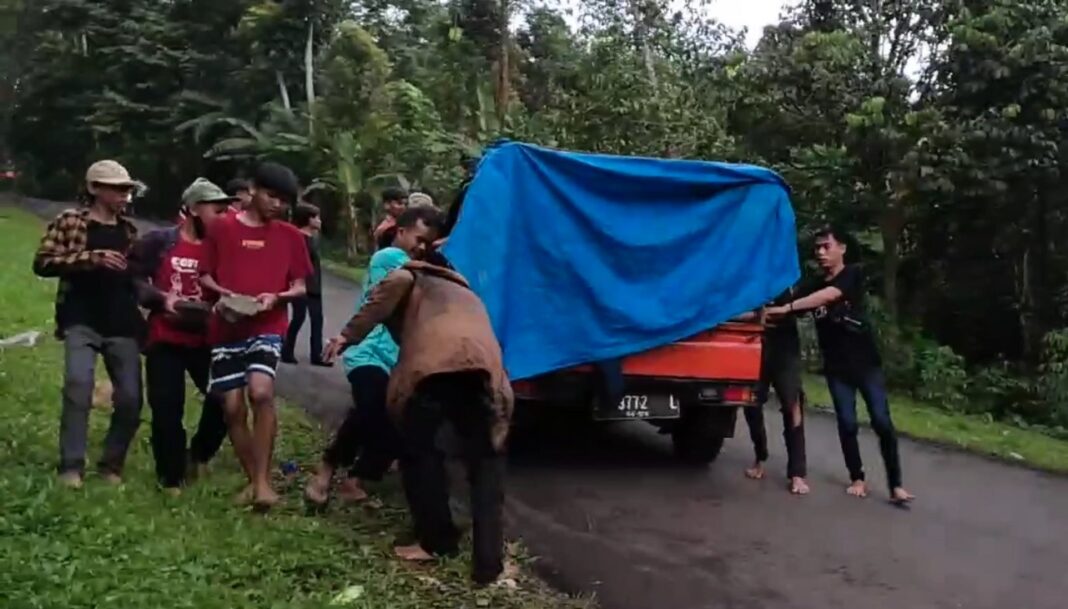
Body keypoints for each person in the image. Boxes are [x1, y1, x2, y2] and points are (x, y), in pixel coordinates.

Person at [322, 260, 513, 585]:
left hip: (434, 370)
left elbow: (376, 304)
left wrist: (344, 338)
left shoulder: (408, 276)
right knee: (486, 467)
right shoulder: (467, 292)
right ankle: (489, 565)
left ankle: (436, 542)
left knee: (419, 453)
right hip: (485, 373)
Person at [305, 206, 444, 506]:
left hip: (399, 359)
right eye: (417, 239)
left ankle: (355, 478)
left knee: (399, 424)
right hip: (367, 349)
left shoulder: (421, 264)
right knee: (371, 409)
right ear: (401, 231)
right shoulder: (390, 260)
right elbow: (411, 279)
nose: (420, 247)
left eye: (427, 243)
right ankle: (327, 467)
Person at [766, 226, 915, 505]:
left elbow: (827, 296)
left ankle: (896, 486)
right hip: (837, 369)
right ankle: (857, 478)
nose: (821, 253)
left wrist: (787, 309)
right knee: (847, 423)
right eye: (817, 248)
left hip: (866, 365)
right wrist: (768, 310)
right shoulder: (812, 284)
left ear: (842, 248)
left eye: (827, 247)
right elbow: (791, 300)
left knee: (882, 421)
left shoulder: (852, 274)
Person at [199, 162, 312, 509]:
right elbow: (204, 276)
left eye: (283, 201)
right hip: (226, 327)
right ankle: (253, 480)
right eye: (271, 195)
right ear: (252, 189)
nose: (276, 205)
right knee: (232, 408)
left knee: (260, 392)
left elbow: (300, 285)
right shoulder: (220, 228)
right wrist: (223, 296)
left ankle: (264, 484)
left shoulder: (291, 236)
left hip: (268, 324)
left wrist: (276, 297)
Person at [32, 160, 145, 488]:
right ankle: (71, 465)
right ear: (95, 189)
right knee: (78, 386)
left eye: (127, 189)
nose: (124, 195)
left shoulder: (129, 230)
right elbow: (43, 262)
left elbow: (134, 277)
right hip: (80, 318)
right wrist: (90, 259)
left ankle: (111, 464)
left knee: (130, 399)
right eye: (117, 188)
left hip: (122, 321)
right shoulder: (70, 222)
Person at [129, 178, 234, 495]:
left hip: (208, 338)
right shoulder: (160, 241)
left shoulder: (224, 246)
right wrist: (161, 299)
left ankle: (199, 454)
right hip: (165, 337)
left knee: (227, 400)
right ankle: (171, 478)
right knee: (166, 408)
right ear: (192, 209)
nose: (224, 213)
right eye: (216, 208)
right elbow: (131, 277)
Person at [737, 287, 809, 495]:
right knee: (751, 403)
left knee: (792, 405)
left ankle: (797, 473)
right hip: (756, 344)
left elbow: (800, 307)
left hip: (785, 349)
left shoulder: (790, 279)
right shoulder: (754, 276)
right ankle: (760, 457)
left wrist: (779, 311)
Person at [282, 202, 329, 366]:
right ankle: (287, 350)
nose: (319, 221)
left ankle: (317, 354)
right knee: (299, 317)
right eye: (316, 217)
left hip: (315, 285)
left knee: (317, 319)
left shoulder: (313, 238)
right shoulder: (298, 238)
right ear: (307, 219)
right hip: (301, 284)